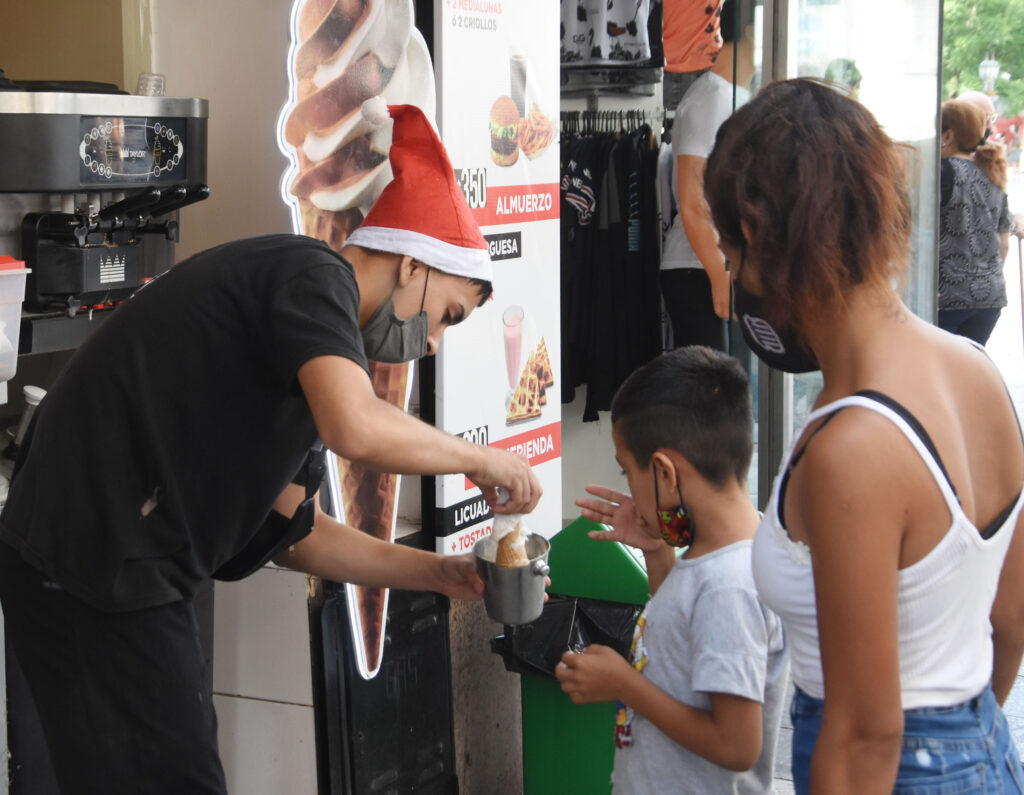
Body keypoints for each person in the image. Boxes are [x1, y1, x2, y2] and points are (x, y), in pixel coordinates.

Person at [0, 103, 541, 794]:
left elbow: (294, 532)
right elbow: (359, 427)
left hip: (116, 564)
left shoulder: (311, 349)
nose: (432, 342)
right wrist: (481, 459)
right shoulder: (313, 277)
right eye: (446, 316)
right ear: (414, 265)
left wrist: (436, 573)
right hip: (86, 557)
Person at [704, 78, 1024, 793]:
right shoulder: (977, 372)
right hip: (983, 748)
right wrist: (963, 750)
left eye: (728, 253)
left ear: (756, 235)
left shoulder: (854, 444)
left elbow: (865, 734)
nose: (731, 278)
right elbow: (1009, 619)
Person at [555, 345, 788, 794]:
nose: (628, 487)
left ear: (665, 473)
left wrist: (624, 684)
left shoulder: (729, 587)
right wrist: (659, 553)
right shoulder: (718, 555)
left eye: (628, 473)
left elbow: (737, 744)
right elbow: (681, 644)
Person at [659, 0, 754, 352]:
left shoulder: (739, 98)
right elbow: (693, 197)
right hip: (697, 268)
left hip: (722, 268)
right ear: (750, 28)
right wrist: (719, 272)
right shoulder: (712, 99)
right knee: (709, 395)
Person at [938, 98, 1012, 345]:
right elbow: (1004, 244)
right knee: (968, 369)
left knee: (941, 374)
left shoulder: (942, 171)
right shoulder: (994, 173)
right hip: (990, 297)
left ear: (948, 136)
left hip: (946, 297)